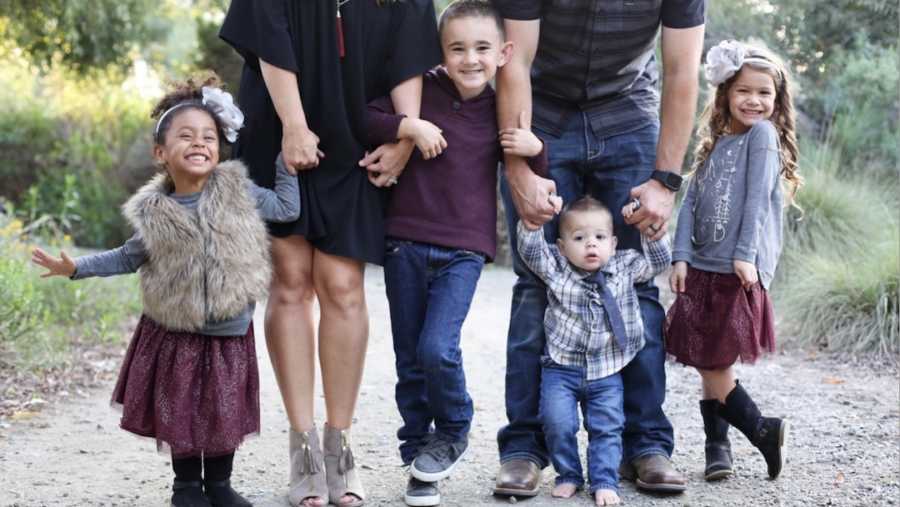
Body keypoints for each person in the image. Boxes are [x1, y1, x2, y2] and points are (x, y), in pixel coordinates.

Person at [31, 76, 300, 507]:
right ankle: (187, 487)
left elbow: (288, 208)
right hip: (176, 331)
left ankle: (220, 485)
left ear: (220, 148)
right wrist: (74, 267)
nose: (200, 143)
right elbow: (125, 256)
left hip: (230, 330)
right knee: (183, 409)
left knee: (223, 408)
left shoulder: (239, 193)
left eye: (209, 137)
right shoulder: (155, 214)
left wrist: (289, 164)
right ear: (161, 153)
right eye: (186, 136)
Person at [219, 2, 440, 506]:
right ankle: (303, 449)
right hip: (278, 124)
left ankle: (339, 443)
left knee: (342, 286)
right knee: (291, 282)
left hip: (359, 131)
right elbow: (267, 35)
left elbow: (409, 55)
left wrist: (404, 135)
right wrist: (293, 126)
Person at [490, 0, 706, 496]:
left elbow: (681, 69)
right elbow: (515, 59)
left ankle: (645, 444)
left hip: (628, 114)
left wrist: (665, 181)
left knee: (638, 287)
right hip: (540, 115)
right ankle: (524, 448)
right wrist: (519, 168)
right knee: (534, 284)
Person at [365, 2, 547, 505]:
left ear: (504, 53)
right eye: (458, 48)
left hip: (464, 251)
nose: (470, 59)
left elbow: (532, 155)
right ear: (440, 54)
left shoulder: (500, 110)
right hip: (404, 242)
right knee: (409, 356)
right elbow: (366, 116)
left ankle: (454, 427)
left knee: (436, 347)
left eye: (483, 48)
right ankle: (420, 457)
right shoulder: (422, 94)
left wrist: (534, 148)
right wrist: (409, 127)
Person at [666, 40, 800, 483]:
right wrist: (681, 255)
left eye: (765, 93)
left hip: (735, 268)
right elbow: (689, 204)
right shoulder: (718, 144)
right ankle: (716, 449)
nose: (754, 101)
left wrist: (745, 255)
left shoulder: (762, 138)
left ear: (777, 102)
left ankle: (763, 430)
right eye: (744, 91)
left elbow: (758, 200)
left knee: (712, 361)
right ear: (725, 93)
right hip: (702, 265)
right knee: (710, 360)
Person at [516, 196, 670, 506]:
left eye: (599, 238)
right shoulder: (557, 268)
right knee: (558, 423)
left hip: (607, 371)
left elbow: (658, 263)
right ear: (561, 246)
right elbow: (532, 253)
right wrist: (531, 225)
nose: (590, 245)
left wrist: (654, 234)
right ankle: (569, 474)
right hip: (561, 368)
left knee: (607, 427)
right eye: (579, 238)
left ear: (613, 243)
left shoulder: (624, 266)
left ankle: (604, 479)